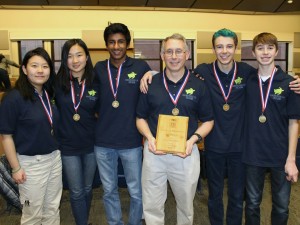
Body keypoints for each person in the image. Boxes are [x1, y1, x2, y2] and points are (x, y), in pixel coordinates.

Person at [140, 28, 300, 225]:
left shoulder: (248, 73)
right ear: (213, 49)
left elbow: (271, 77)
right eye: (219, 47)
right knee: (214, 196)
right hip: (213, 145)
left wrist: (296, 81)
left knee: (237, 198)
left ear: (236, 49)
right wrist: (150, 73)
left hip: (240, 148)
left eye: (229, 46)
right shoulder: (202, 72)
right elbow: (175, 71)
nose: (224, 51)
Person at [136, 33, 214, 225]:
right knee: (152, 205)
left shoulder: (199, 85)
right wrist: (149, 138)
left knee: (186, 206)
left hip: (186, 154)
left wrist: (193, 139)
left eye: (178, 51)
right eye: (169, 51)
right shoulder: (151, 83)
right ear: (162, 55)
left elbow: (209, 121)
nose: (174, 56)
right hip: (155, 153)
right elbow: (140, 118)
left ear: (187, 54)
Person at [93, 23, 151, 225]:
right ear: (106, 45)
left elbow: (159, 87)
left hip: (132, 141)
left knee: (136, 190)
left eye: (120, 41)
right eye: (111, 42)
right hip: (103, 142)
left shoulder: (141, 67)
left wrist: (154, 74)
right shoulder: (99, 68)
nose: (116, 46)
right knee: (109, 190)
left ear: (128, 44)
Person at [243, 32, 300, 225]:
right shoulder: (248, 81)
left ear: (276, 51)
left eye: (269, 48)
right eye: (260, 48)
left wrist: (291, 159)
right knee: (251, 204)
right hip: (252, 154)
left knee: (282, 206)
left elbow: (294, 123)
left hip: (280, 155)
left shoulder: (290, 83)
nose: (265, 52)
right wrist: (149, 74)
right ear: (253, 52)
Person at [0, 47, 62, 225]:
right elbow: (6, 136)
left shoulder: (47, 94)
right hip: (30, 165)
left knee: (52, 208)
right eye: (35, 66)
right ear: (24, 69)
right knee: (32, 213)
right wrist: (16, 168)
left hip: (54, 159)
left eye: (45, 66)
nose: (40, 70)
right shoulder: (13, 98)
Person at [55, 39, 98, 225]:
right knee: (77, 191)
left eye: (79, 55)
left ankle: (84, 220)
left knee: (88, 188)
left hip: (91, 144)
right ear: (65, 60)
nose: (75, 60)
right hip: (68, 145)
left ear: (87, 57)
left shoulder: (97, 81)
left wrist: (150, 74)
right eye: (70, 56)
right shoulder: (56, 83)